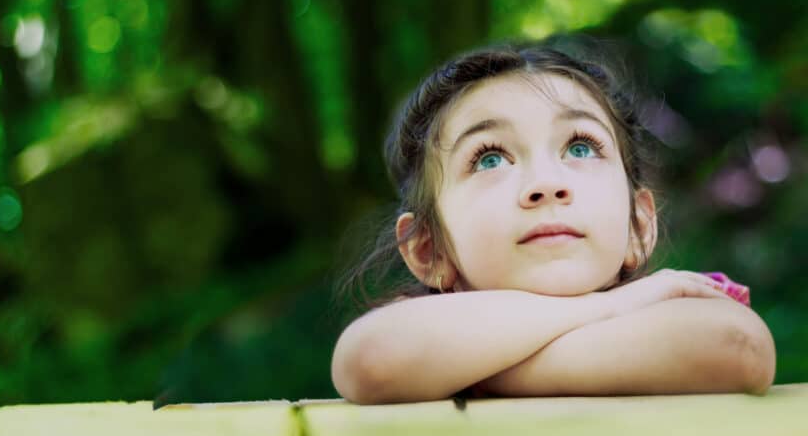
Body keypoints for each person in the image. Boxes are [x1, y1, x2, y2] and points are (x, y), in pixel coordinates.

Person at [331, 38, 776, 405]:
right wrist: (606, 307)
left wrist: (485, 375)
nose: (545, 184)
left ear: (639, 225)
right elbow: (370, 360)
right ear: (430, 250)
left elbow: (739, 346)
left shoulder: (678, 303)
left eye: (580, 147)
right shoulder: (416, 332)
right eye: (490, 158)